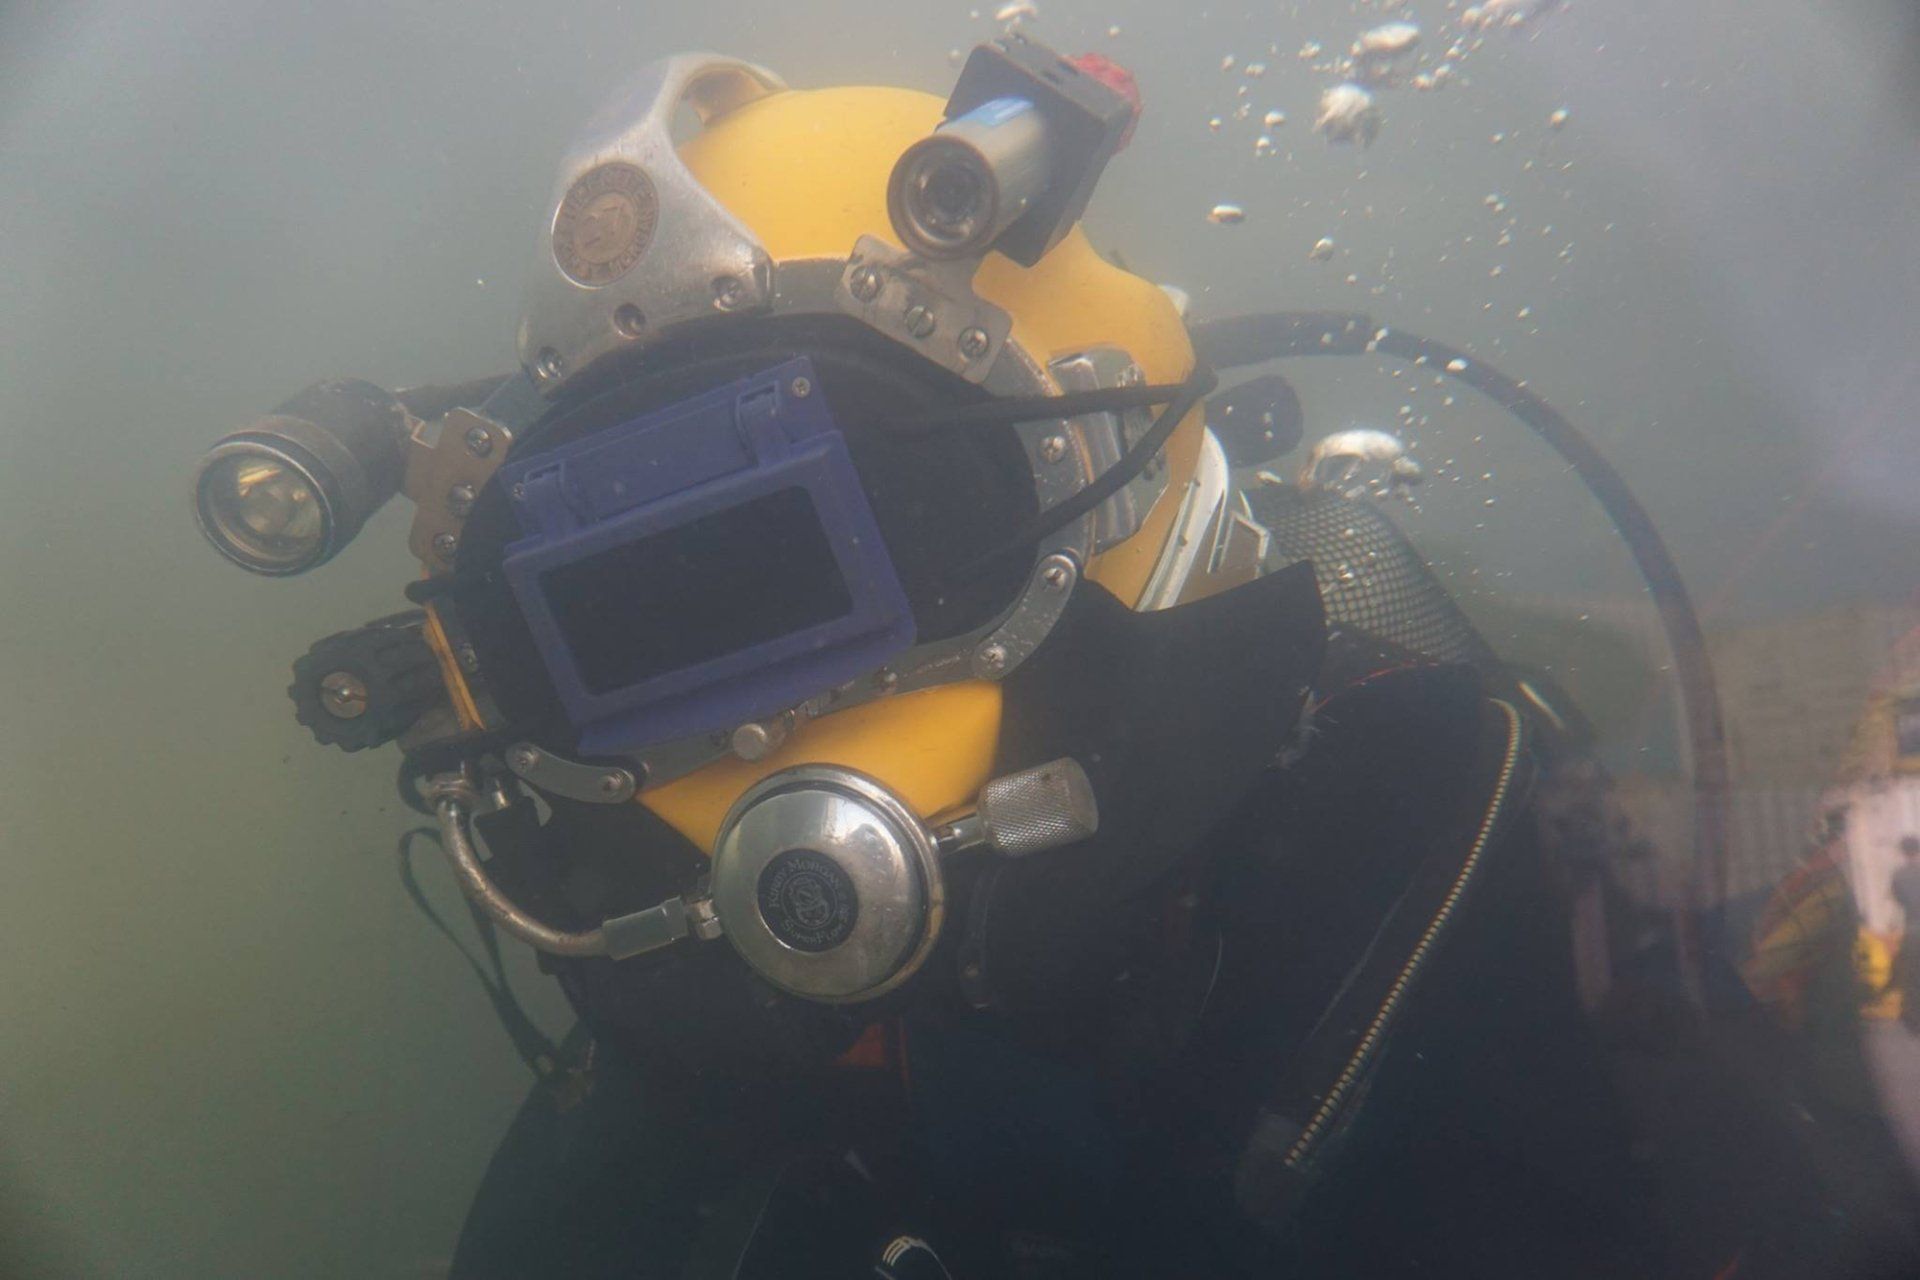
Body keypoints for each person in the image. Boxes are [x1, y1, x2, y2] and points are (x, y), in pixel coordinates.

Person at [188, 36, 1875, 1279]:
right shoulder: (694, 989)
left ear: (1097, 489)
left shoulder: (1429, 829)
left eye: (899, 528)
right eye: (644, 615)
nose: (787, 747)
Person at [1894, 836, 1920, 1032]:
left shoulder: (1899, 875)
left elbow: (1899, 899)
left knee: (1912, 976)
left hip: (1912, 929)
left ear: (1903, 852)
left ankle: (1914, 1020)